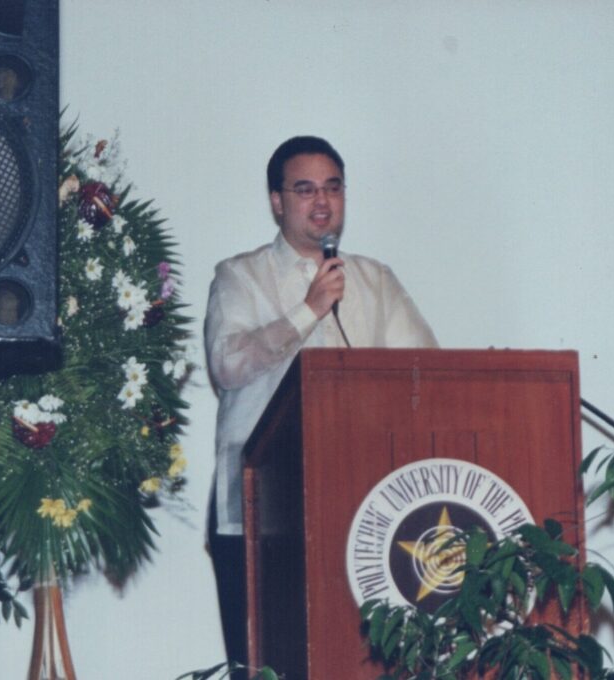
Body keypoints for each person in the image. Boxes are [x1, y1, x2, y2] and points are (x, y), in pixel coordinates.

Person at [203, 135, 438, 674]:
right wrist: (307, 312)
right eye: (305, 189)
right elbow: (227, 365)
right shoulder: (239, 277)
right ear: (276, 201)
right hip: (263, 506)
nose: (322, 202)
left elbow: (426, 372)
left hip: (365, 501)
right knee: (270, 663)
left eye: (333, 187)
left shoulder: (375, 281)